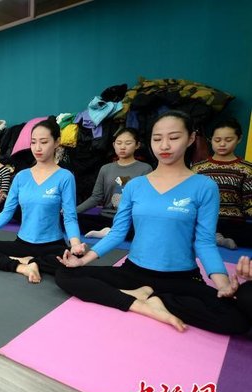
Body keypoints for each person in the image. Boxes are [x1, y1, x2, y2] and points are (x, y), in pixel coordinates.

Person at [55, 111, 251, 335]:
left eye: (174, 137)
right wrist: (83, 261)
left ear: (190, 138)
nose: (164, 145)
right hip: (133, 273)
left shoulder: (204, 186)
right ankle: (140, 303)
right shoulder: (135, 186)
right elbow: (118, 232)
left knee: (236, 321)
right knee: (65, 274)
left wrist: (223, 283)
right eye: (157, 139)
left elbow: (204, 243)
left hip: (181, 278)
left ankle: (158, 299)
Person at [0, 118, 84, 283]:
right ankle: (23, 265)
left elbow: (70, 216)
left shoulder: (65, 176)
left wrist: (76, 244)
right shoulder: (21, 176)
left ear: (57, 142)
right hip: (22, 244)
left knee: (73, 267)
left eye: (43, 142)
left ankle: (32, 261)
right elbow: (7, 212)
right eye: (33, 142)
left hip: (52, 245)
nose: (37, 148)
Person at [77, 127, 153, 239]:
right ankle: (111, 232)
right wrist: (73, 212)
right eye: (119, 143)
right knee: (70, 221)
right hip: (105, 217)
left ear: (137, 145)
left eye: (128, 143)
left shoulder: (145, 169)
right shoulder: (105, 169)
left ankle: (111, 232)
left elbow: (145, 201)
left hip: (129, 220)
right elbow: (96, 197)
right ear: (114, 145)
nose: (122, 147)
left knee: (144, 229)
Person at [191, 118, 252, 249]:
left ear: (239, 139)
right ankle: (217, 238)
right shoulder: (198, 168)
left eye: (228, 140)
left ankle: (216, 237)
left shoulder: (247, 169)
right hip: (203, 220)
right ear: (210, 139)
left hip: (233, 223)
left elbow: (250, 204)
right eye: (217, 140)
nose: (222, 144)